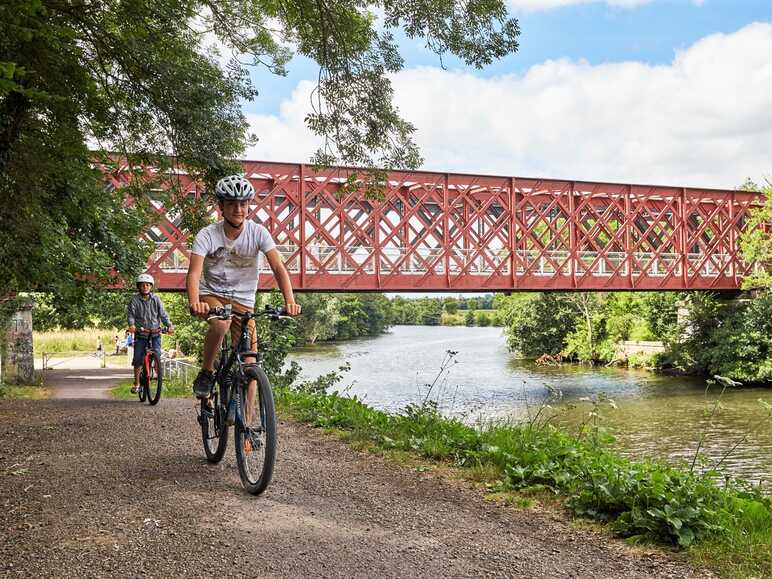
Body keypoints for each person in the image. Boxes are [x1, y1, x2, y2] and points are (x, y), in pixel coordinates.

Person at [186, 174, 301, 406]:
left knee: (251, 365)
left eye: (243, 203)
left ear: (248, 205)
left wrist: (290, 300)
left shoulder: (258, 233)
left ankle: (249, 432)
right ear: (221, 207)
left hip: (244, 301)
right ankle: (207, 372)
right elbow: (194, 273)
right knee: (221, 323)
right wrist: (195, 301)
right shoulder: (207, 235)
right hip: (213, 295)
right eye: (231, 203)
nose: (238, 209)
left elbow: (278, 266)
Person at [127, 273, 174, 393]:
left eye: (148, 285)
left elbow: (163, 314)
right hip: (141, 333)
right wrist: (132, 325)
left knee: (157, 354)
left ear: (151, 287)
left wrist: (169, 325)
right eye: (142, 285)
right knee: (138, 358)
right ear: (139, 287)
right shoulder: (134, 300)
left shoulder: (156, 299)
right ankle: (137, 383)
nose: (145, 287)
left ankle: (158, 377)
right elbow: (131, 315)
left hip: (155, 333)